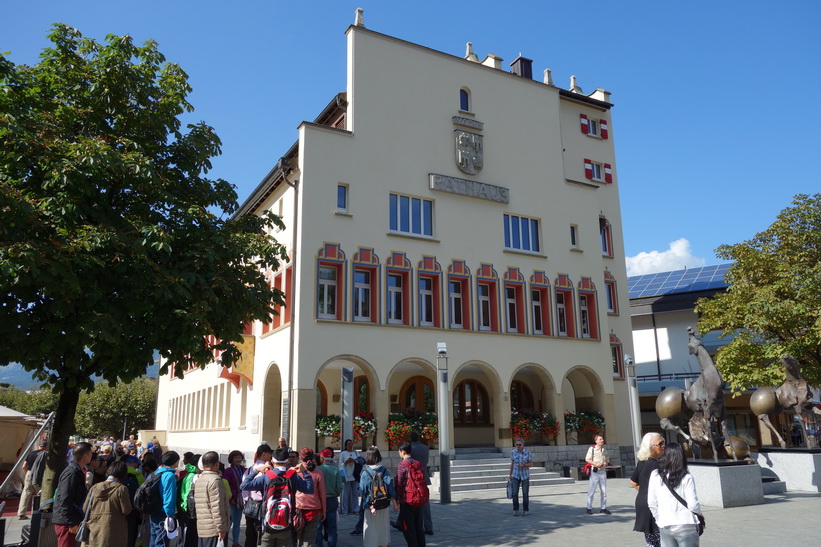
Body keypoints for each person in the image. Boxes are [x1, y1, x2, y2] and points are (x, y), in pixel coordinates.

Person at [239, 446, 315, 547]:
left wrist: (257, 471)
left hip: (267, 525)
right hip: (286, 525)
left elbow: (243, 485)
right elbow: (310, 489)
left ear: (272, 461)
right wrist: (304, 472)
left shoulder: (267, 475)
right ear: (287, 461)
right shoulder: (293, 476)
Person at [647, 442, 703, 547]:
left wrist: (659, 519)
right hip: (686, 523)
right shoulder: (686, 477)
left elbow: (651, 502)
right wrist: (699, 514)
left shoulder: (655, 475)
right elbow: (693, 505)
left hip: (665, 524)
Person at [82, 461, 134, 547]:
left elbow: (85, 508)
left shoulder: (94, 487)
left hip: (95, 528)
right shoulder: (121, 489)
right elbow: (126, 510)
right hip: (115, 530)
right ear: (123, 474)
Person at [53, 441, 93, 547]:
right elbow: (64, 499)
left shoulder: (76, 470)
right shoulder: (72, 472)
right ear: (85, 455)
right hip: (66, 521)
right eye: (90, 454)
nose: (92, 456)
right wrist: (71, 522)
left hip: (69, 519)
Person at [630, 433, 666, 547]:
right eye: (660, 444)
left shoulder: (642, 462)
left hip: (642, 503)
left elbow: (633, 482)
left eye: (663, 442)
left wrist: (645, 492)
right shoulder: (657, 465)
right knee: (661, 539)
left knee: (651, 541)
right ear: (651, 447)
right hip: (653, 506)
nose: (663, 446)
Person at [358, 446, 394, 547]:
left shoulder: (365, 472)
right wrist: (394, 502)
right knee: (383, 528)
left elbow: (362, 490)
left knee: (370, 529)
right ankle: (383, 544)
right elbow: (390, 488)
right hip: (383, 504)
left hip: (370, 505)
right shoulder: (384, 471)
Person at [393, 442, 426, 547]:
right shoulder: (418, 463)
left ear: (403, 452)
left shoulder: (402, 465)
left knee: (408, 527)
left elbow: (399, 484)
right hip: (419, 498)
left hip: (407, 500)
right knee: (419, 526)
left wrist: (397, 500)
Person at [194, 451, 229, 547]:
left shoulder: (199, 479)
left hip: (202, 528)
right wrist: (221, 528)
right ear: (217, 464)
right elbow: (217, 507)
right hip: (213, 530)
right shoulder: (215, 481)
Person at [242, 443, 272, 547]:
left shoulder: (250, 469)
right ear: (264, 454)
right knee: (260, 536)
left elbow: (244, 489)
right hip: (260, 506)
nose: (270, 456)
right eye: (269, 454)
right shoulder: (265, 469)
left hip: (249, 505)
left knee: (250, 535)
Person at [149, 450, 181, 547]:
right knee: (161, 542)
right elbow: (168, 496)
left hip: (154, 509)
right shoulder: (169, 475)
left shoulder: (157, 472)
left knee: (154, 538)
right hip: (163, 513)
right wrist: (170, 515)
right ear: (174, 461)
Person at [295, 448, 326, 547]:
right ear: (312, 457)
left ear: (300, 458)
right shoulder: (318, 472)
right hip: (314, 508)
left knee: (298, 537)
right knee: (309, 540)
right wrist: (324, 510)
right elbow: (322, 492)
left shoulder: (295, 470)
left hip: (298, 508)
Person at [315, 448, 343, 547]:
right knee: (332, 527)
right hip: (332, 499)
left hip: (319, 500)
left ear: (322, 458)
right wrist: (335, 493)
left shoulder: (318, 470)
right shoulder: (336, 470)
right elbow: (339, 487)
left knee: (318, 527)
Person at [408, 432, 433, 534]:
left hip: (413, 478)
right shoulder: (425, 448)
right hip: (424, 477)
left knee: (409, 501)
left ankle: (407, 524)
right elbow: (425, 462)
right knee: (425, 502)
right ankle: (428, 527)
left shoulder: (410, 448)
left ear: (410, 439)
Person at [17, 440, 48, 520]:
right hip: (39, 476)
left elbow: (24, 466)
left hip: (29, 474)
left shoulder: (31, 454)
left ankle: (21, 514)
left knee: (26, 494)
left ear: (39, 446)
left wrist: (27, 474)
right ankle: (42, 513)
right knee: (42, 494)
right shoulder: (45, 455)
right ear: (46, 447)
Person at [225, 450, 247, 547]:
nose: (238, 459)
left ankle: (235, 542)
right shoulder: (228, 471)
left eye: (239, 457)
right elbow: (226, 486)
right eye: (236, 458)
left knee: (237, 522)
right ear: (231, 460)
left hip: (240, 500)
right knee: (228, 522)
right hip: (232, 500)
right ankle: (223, 540)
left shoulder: (244, 469)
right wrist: (230, 499)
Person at [585, 434, 610, 515]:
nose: (602, 440)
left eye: (602, 439)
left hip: (603, 471)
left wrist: (605, 463)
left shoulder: (604, 450)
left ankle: (603, 508)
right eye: (600, 439)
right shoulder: (592, 449)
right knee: (592, 490)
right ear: (596, 441)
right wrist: (596, 464)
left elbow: (607, 460)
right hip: (595, 472)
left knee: (604, 491)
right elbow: (587, 459)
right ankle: (589, 508)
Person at [180, 454, 201, 547]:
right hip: (189, 507)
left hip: (187, 506)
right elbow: (188, 493)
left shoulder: (190, 473)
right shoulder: (193, 475)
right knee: (192, 533)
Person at [508, 437, 533, 516]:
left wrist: (523, 465)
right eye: (517, 444)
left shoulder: (527, 452)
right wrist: (510, 474)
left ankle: (525, 510)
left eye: (520, 444)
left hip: (524, 475)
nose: (518, 446)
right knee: (515, 493)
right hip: (515, 475)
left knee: (525, 493)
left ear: (523, 445)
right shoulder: (513, 452)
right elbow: (512, 463)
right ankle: (515, 509)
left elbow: (531, 464)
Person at [338, 439, 359, 515]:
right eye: (349, 444)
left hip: (355, 475)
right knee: (345, 494)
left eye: (351, 443)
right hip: (346, 476)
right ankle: (344, 510)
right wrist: (346, 462)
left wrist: (354, 461)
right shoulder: (343, 453)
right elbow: (340, 465)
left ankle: (355, 509)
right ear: (346, 445)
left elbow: (360, 462)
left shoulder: (356, 453)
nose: (350, 445)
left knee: (355, 493)